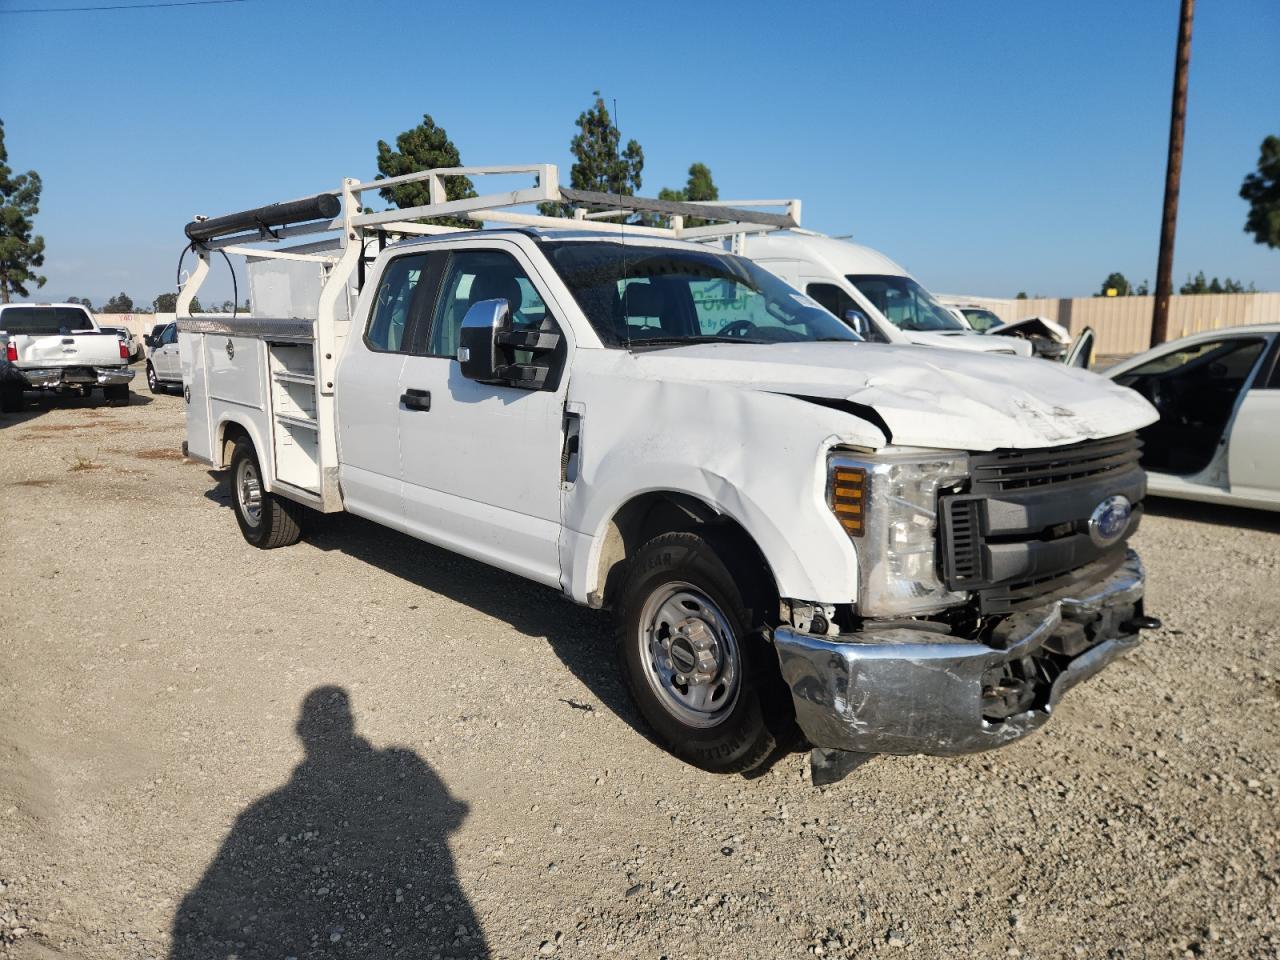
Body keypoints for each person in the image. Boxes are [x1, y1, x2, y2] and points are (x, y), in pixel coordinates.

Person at [169, 686, 486, 958]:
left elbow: (197, 909)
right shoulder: (399, 761)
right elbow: (448, 815)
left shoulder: (264, 810)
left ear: (301, 730)